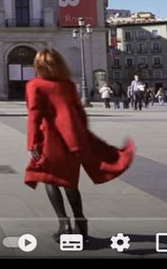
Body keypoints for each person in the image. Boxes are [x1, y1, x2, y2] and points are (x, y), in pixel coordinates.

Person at [24, 49, 135, 244]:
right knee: (70, 182)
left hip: (49, 139)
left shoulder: (35, 85)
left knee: (50, 179)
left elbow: (34, 115)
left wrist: (32, 142)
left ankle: (63, 223)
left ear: (38, 66)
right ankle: (81, 222)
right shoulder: (68, 85)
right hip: (72, 139)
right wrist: (83, 136)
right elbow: (80, 113)